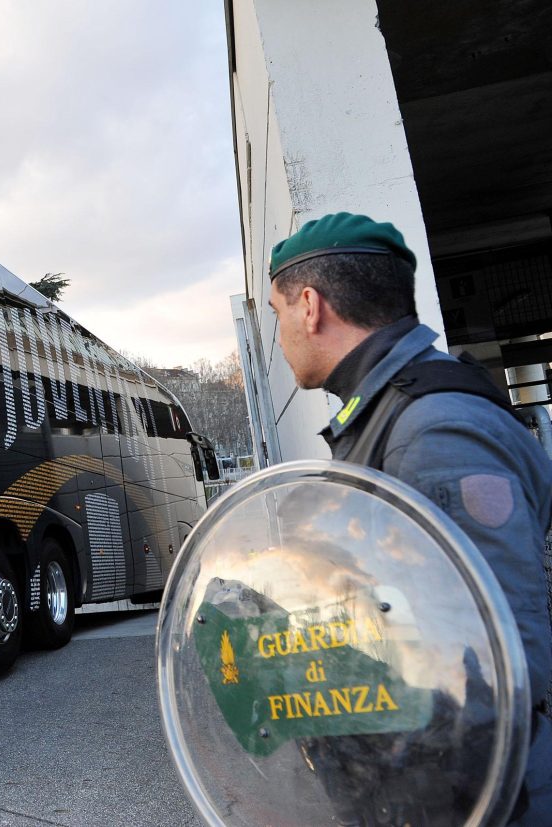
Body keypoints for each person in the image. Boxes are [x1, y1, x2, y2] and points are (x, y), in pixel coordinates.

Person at [268, 211, 552, 824]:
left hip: (480, 801)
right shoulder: (386, 415)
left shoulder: (433, 429)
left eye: (277, 312)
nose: (280, 334)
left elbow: (491, 670)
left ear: (310, 307)